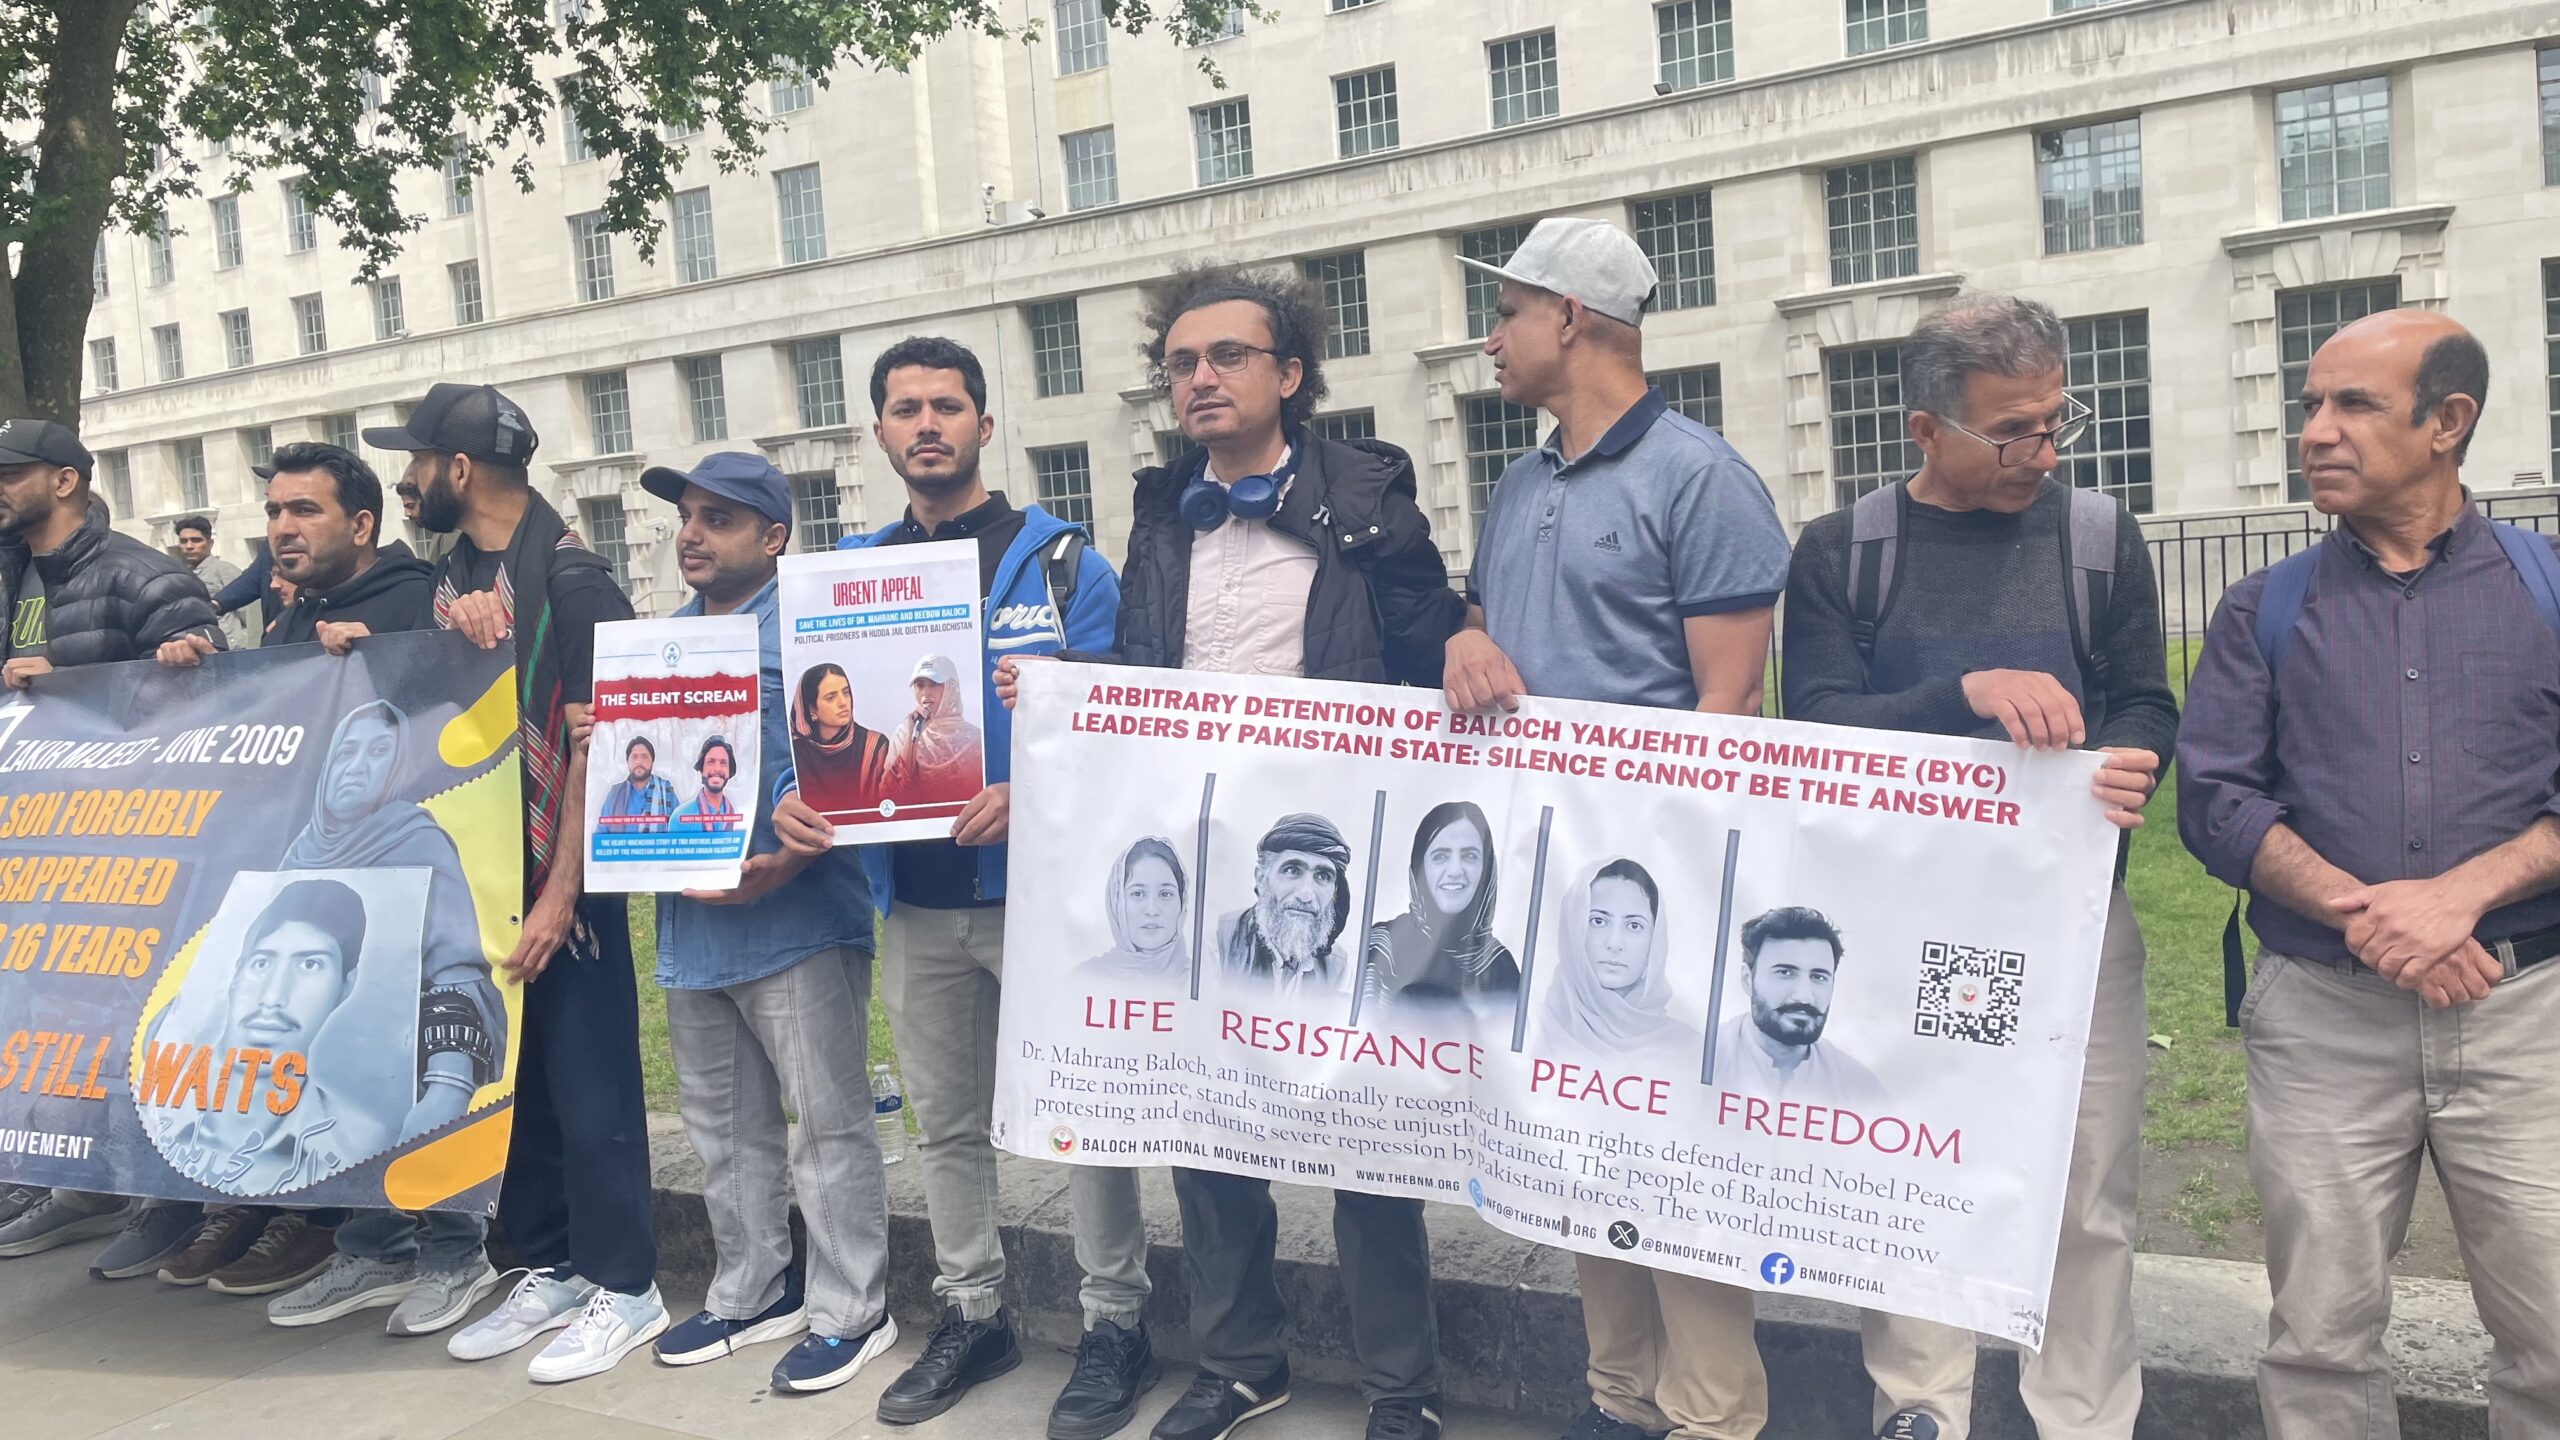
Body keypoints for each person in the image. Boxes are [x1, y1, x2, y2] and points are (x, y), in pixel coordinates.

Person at [1004, 264, 1465, 1440]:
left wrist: (1471, 639)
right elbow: (1151, 671)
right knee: (1206, 1123)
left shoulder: (1367, 500)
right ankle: (1238, 1361)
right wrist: (1065, 696)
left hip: (1336, 851)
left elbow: (1428, 643)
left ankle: (1400, 1391)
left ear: (1290, 375)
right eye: (1180, 364)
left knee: (1368, 1129)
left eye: (1227, 358)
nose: (1199, 379)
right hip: (1210, 854)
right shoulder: (1161, 512)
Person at [1786, 293, 2174, 1440]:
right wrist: (1960, 697)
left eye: (2055, 422)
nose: (2039, 453)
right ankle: (1920, 1412)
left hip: (2067, 926)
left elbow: (2143, 695)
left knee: (2085, 1191)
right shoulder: (1845, 552)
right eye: (2010, 431)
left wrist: (2135, 757)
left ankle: (2086, 1420)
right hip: (1903, 932)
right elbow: (1814, 726)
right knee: (1913, 1173)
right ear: (1924, 430)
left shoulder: (2096, 535)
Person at [1436, 218, 1789, 1440]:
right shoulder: (1521, 481)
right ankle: (1617, 1401)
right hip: (1537, 879)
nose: (1491, 338)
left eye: (1509, 312)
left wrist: (1674, 886)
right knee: (1571, 1147)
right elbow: (1489, 634)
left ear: (1571, 318)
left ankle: (1706, 1416)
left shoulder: (1701, 478)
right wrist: (1465, 635)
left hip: (1660, 885)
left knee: (1675, 1157)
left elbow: (1727, 706)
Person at [2179, 311, 2560, 1437]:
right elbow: (2215, 804)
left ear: (2448, 424)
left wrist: (2461, 897)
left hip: (2525, 1019)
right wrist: (2382, 920)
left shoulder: (2547, 590)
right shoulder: (2262, 609)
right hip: (2321, 1027)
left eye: (2351, 405)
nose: (2314, 433)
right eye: (2309, 405)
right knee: (2318, 1342)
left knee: (2551, 1334)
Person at [771, 336, 1153, 1440]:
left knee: (1082, 1118)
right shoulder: (854, 574)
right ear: (880, 433)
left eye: (947, 404)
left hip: (1044, 898)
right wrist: (808, 797)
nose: (927, 423)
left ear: (986, 425)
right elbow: (823, 727)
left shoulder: (1062, 562)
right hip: (920, 903)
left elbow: (1116, 715)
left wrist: (1029, 783)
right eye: (905, 408)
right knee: (945, 1125)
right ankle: (973, 1310)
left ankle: (1114, 1323)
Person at [333, 381, 662, 1382]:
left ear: (459, 470)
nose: (406, 479)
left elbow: (597, 751)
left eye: (417, 462)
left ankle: (626, 1284)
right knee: (516, 1091)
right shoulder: (459, 576)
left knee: (588, 1076)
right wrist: (365, 656)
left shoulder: (572, 578)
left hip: (559, 881)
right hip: (481, 881)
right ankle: (553, 1264)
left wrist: (561, 898)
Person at [635, 453, 894, 1393]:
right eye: (686, 518)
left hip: (798, 923)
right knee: (724, 1127)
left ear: (775, 537)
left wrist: (790, 852)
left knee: (826, 1126)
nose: (692, 535)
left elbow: (845, 770)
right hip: (691, 931)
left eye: (719, 519)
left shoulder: (814, 632)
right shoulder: (659, 645)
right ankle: (751, 1289)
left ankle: (851, 1309)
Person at [0, 417, 225, 1281]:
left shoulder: (142, 574)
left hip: (135, 855)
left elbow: (216, 700)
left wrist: (83, 685)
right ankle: (77, 1181)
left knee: (135, 1025)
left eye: (13, 473)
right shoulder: (17, 569)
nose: (0, 487)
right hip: (45, 849)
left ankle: (163, 1199)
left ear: (64, 481)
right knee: (61, 1023)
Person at [257, 696, 507, 1330]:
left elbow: (456, 959)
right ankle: (375, 1252)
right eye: (347, 750)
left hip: (418, 1033)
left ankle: (456, 1256)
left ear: (398, 772)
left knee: (412, 1107)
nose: (356, 767)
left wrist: (451, 1073)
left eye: (378, 754)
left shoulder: (413, 836)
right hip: (329, 1047)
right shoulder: (301, 853)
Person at [144, 879, 375, 1195]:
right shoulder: (147, 1106)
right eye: (262, 962)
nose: (272, 996)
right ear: (236, 974)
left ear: (346, 986)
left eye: (310, 964)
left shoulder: (361, 1142)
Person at [159, 444, 432, 661]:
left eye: (304, 510)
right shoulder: (286, 624)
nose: (283, 528)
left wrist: (383, 658)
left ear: (360, 526)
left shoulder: (426, 605)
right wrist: (217, 677)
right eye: (274, 513)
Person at [1709, 908, 1884, 1108]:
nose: (1804, 996)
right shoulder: (1700, 1061)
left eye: (1819, 977)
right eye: (1785, 972)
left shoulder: (1859, 1089)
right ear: (1747, 980)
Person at [1358, 801, 1516, 1017]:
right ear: (1419, 866)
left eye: (1469, 856)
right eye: (1440, 856)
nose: (1455, 871)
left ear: (1486, 869)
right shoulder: (1383, 945)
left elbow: (1503, 1046)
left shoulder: (1500, 967)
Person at [1538, 859, 1695, 1072]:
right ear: (1572, 928)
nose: (1614, 943)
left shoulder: (1690, 1051)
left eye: (1634, 925)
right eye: (1598, 921)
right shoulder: (1528, 1028)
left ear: (1655, 938)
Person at [1218, 813, 1355, 997]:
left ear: (1335, 891)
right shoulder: (1218, 943)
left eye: (1323, 876)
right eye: (1292, 870)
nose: (1306, 895)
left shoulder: (1338, 968)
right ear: (1261, 879)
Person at [1078, 838, 1190, 986]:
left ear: (1182, 902)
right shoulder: (1083, 981)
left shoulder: (1208, 983)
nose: (1152, 911)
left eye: (1165, 894)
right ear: (1117, 902)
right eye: (1138, 894)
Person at [788, 662, 888, 820]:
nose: (843, 702)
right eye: (831, 697)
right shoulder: (798, 750)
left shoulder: (874, 744)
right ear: (813, 710)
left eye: (846, 693)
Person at [882, 654, 984, 807]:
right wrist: (912, 739)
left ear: (952, 688)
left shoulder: (977, 741)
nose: (925, 692)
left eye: (934, 684)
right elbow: (887, 797)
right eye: (920, 685)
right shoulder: (903, 735)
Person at [176, 512, 257, 650]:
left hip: (232, 652)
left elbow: (250, 617)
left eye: (196, 540)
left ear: (210, 543)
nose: (189, 546)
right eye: (184, 541)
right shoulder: (179, 576)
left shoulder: (225, 570)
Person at [599, 736, 679, 831]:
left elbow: (678, 830)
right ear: (627, 762)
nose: (639, 761)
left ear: (652, 762)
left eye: (644, 757)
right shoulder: (615, 794)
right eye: (634, 757)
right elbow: (602, 831)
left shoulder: (666, 792)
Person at [668, 736, 743, 830]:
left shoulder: (740, 819)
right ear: (701, 769)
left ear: (729, 771)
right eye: (711, 762)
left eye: (723, 763)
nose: (717, 769)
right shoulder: (680, 816)